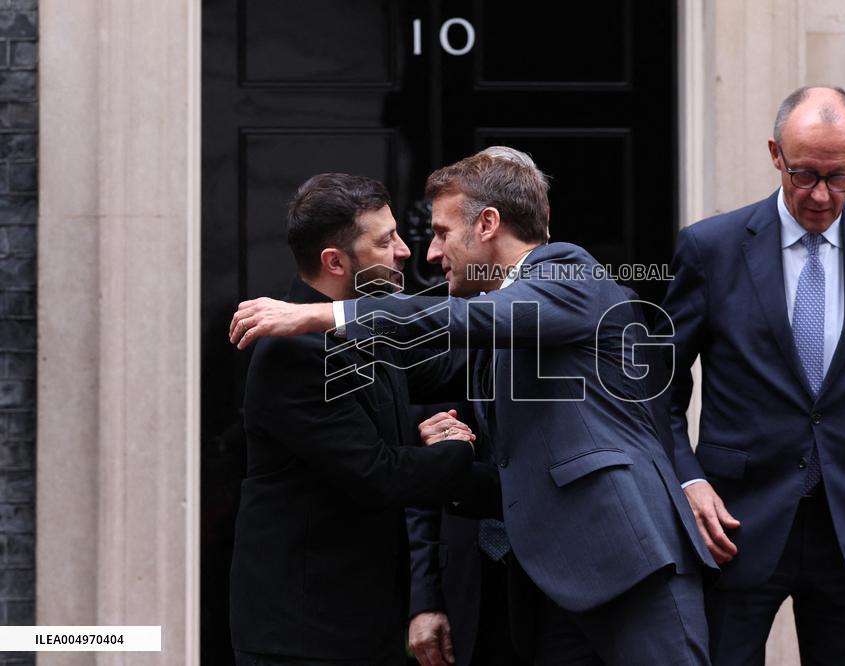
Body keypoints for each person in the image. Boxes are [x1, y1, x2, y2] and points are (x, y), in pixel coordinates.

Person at [230, 153, 716, 665]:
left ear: (487, 225)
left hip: (632, 562)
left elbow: (446, 321)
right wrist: (431, 451)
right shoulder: (491, 319)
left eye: (440, 232)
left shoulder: (570, 276)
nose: (430, 253)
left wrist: (324, 314)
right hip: (555, 587)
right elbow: (400, 373)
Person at [660, 86, 845, 664]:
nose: (821, 195)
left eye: (839, 177)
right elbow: (661, 389)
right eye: (804, 174)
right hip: (734, 527)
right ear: (775, 153)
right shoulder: (710, 248)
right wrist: (688, 481)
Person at [229, 172, 488, 666]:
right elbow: (376, 475)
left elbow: (452, 368)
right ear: (335, 261)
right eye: (385, 240)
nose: (405, 251)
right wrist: (455, 449)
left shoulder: (361, 322)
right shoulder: (295, 352)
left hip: (357, 622)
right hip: (306, 635)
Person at [406, 147, 542, 666]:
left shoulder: (581, 302)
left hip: (563, 579)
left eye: (442, 233)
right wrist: (425, 599)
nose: (432, 254)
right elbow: (425, 465)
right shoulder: (443, 317)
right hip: (468, 570)